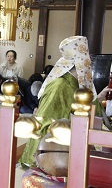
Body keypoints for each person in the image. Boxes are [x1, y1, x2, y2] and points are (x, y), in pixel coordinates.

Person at [19, 36, 110, 167]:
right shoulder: (60, 86)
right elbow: (45, 123)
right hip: (51, 152)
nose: (89, 65)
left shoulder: (75, 83)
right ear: (79, 63)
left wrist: (99, 98)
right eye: (87, 61)